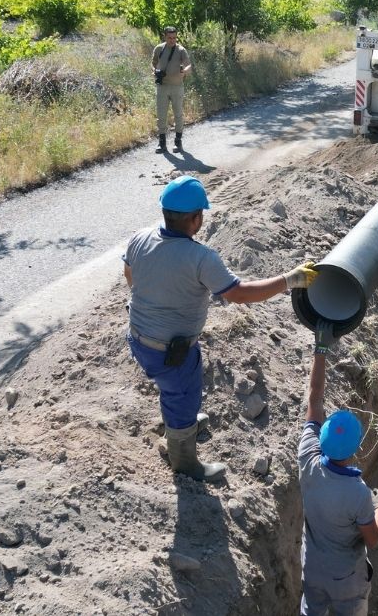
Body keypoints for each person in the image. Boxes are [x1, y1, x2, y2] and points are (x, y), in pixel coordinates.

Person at [123, 175, 317, 481]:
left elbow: (130, 274)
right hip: (170, 352)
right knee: (182, 394)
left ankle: (181, 422)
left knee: (173, 389)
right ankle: (185, 462)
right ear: (196, 219)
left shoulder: (140, 238)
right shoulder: (201, 258)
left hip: (137, 337)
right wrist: (290, 280)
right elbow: (238, 294)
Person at [298, 320, 378, 615]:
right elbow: (373, 538)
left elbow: (314, 396)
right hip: (346, 579)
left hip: (312, 568)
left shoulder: (307, 457)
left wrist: (320, 349)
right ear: (356, 448)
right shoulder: (358, 493)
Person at [152, 26, 192, 154]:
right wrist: (155, 71)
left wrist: (184, 71)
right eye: (169, 38)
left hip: (177, 87)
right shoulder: (159, 49)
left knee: (178, 115)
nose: (172, 40)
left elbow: (189, 65)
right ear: (165, 37)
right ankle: (162, 143)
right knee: (161, 116)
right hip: (162, 87)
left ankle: (178, 142)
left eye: (174, 38)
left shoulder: (181, 50)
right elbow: (153, 63)